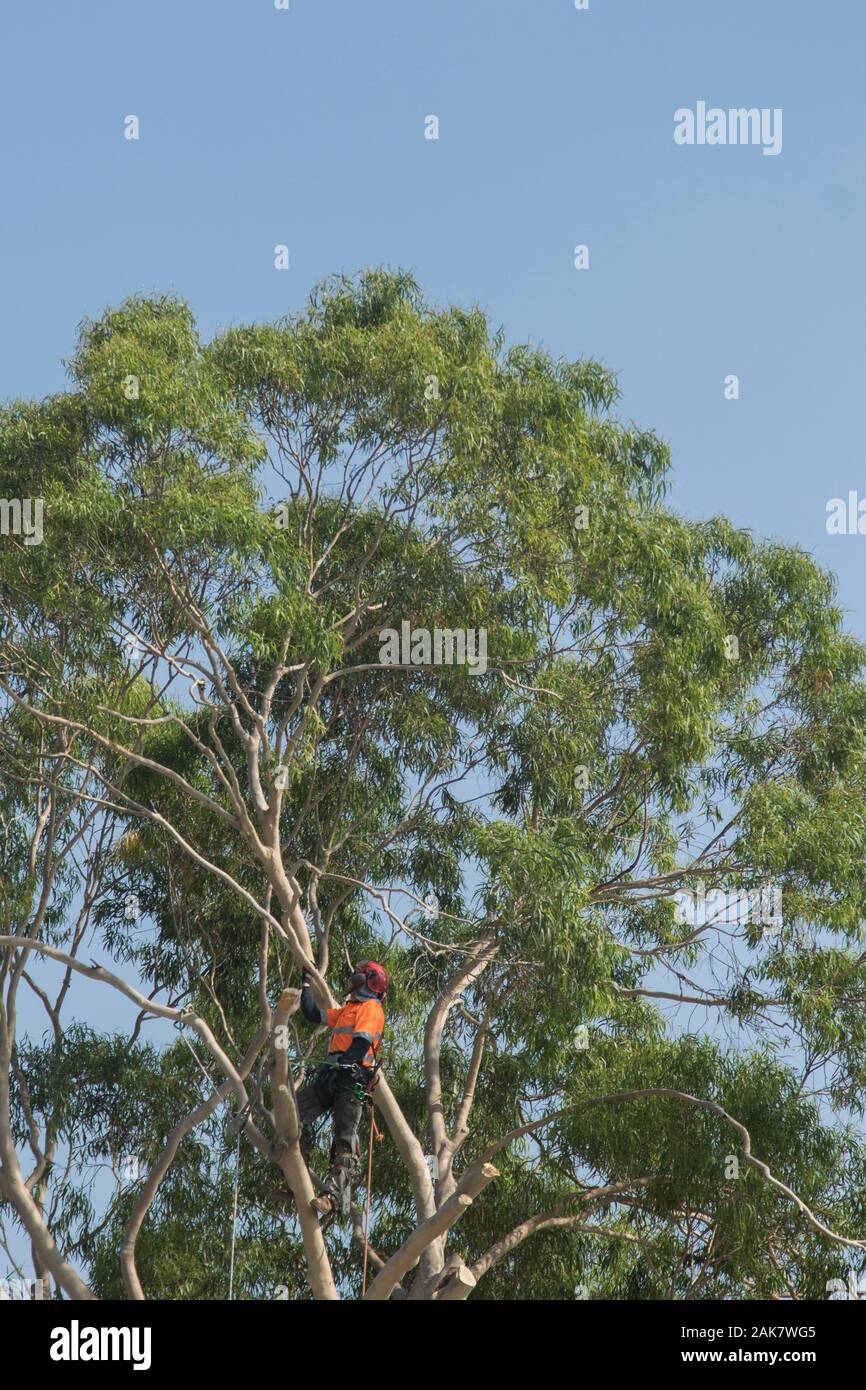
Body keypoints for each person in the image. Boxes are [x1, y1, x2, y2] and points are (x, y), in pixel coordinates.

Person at [296, 959, 389, 1217]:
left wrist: (345, 1064)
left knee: (345, 1140)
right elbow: (313, 1014)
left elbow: (361, 1044)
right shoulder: (349, 1008)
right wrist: (306, 984)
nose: (353, 977)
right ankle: (296, 1172)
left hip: (352, 1079)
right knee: (294, 1112)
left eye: (358, 974)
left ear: (369, 979)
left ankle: (337, 1199)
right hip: (333, 1074)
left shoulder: (371, 1008)